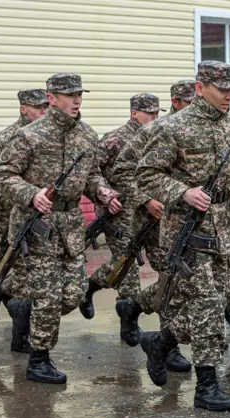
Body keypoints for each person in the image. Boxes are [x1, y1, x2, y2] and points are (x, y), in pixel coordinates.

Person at [136, 61, 230, 412]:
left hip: (226, 226)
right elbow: (146, 175)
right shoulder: (172, 127)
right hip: (187, 229)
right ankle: (207, 385)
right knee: (206, 303)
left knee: (218, 304)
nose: (228, 96)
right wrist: (182, 191)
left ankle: (159, 343)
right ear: (200, 86)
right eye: (222, 89)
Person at [0, 72, 120, 383]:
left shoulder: (87, 135)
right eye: (69, 95)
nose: (76, 100)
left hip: (72, 226)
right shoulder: (29, 136)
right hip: (37, 226)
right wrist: (31, 194)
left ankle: (11, 298)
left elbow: (92, 176)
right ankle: (39, 360)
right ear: (51, 98)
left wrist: (103, 192)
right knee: (48, 297)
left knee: (74, 294)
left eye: (79, 94)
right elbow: (1, 175)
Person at [112, 81, 196, 381]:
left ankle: (134, 307)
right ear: (176, 101)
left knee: (175, 280)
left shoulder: (204, 127)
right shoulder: (157, 130)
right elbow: (122, 171)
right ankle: (167, 345)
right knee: (170, 279)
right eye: (189, 100)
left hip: (187, 222)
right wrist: (146, 199)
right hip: (150, 220)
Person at [83, 93, 164, 320]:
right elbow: (91, 171)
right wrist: (107, 195)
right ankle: (128, 321)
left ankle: (91, 285)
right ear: (134, 113)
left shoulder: (158, 138)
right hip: (119, 211)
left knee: (162, 260)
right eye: (149, 113)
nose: (154, 118)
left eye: (157, 113)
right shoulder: (115, 139)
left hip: (149, 211)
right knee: (126, 265)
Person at [0, 88, 48, 332]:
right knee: (11, 261)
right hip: (12, 213)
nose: (44, 111)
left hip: (43, 214)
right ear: (23, 109)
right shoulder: (6, 137)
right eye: (38, 107)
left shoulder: (49, 134)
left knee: (30, 269)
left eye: (46, 106)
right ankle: (1, 298)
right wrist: (20, 196)